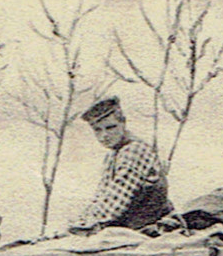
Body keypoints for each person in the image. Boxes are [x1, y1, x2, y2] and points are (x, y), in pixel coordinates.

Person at [68, 96, 171, 235]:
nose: (104, 135)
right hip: (129, 228)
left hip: (148, 229)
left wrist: (83, 226)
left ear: (123, 123)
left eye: (110, 127)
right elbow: (102, 196)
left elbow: (114, 203)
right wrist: (80, 220)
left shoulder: (134, 150)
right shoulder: (113, 155)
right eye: (98, 130)